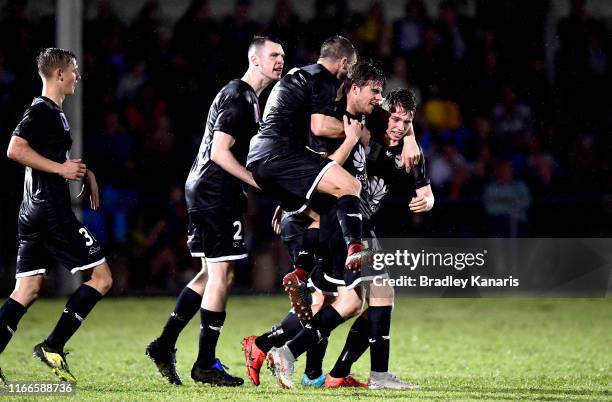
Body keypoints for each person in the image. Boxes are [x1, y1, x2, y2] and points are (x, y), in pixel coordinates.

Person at [264, 88, 433, 389]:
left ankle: (288, 353)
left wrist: (427, 198)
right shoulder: (364, 132)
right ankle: (376, 376)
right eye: (394, 119)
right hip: (347, 224)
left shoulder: (410, 151)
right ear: (383, 114)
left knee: (353, 303)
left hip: (349, 227)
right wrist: (289, 200)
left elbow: (426, 193)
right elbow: (322, 162)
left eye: (406, 122)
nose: (398, 126)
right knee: (382, 292)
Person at [145, 36, 285, 387]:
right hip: (215, 193)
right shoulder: (239, 96)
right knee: (222, 276)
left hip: (210, 191)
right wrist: (255, 182)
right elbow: (220, 152)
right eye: (273, 55)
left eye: (282, 55)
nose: (280, 60)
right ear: (254, 60)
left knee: (211, 275)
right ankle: (205, 364)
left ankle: (164, 345)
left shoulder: (250, 98)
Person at [1, 48, 113, 383]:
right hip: (51, 212)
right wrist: (62, 169)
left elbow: (49, 158)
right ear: (60, 74)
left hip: (32, 211)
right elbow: (15, 148)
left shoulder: (54, 113)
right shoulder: (42, 111)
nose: (78, 76)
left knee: (28, 288)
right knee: (103, 278)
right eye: (74, 70)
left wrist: (83, 172)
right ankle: (52, 345)